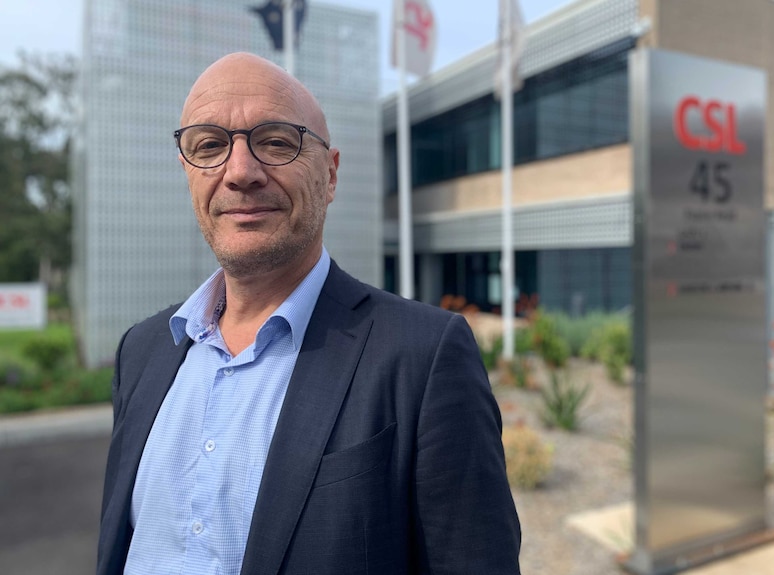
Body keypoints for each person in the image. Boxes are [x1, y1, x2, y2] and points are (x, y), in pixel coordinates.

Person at [97, 52, 521, 575]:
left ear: (331, 173)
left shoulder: (423, 356)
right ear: (187, 173)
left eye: (276, 142)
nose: (240, 172)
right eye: (208, 146)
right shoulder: (141, 353)